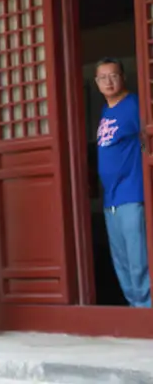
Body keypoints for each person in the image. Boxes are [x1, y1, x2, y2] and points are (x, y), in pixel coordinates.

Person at [95, 57, 151, 308]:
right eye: (103, 77)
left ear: (123, 77)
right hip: (111, 199)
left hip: (132, 194)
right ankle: (136, 311)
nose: (108, 81)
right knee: (122, 261)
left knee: (139, 259)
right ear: (96, 82)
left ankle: (146, 310)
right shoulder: (106, 111)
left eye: (113, 75)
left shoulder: (133, 105)